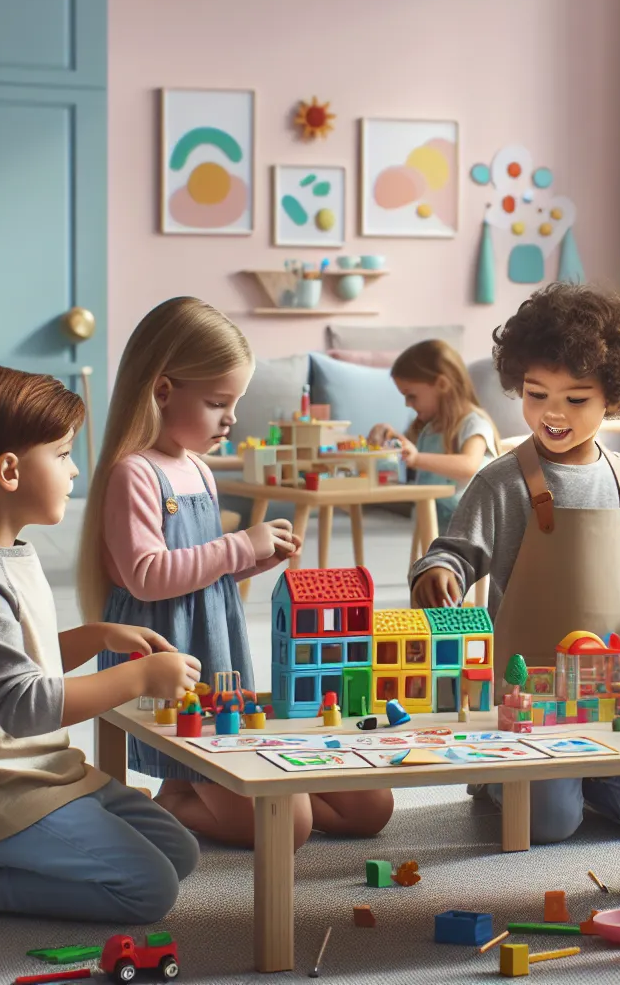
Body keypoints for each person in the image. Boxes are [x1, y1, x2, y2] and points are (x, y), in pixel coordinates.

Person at [0, 364, 203, 921]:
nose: (75, 469)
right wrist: (138, 679)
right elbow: (23, 706)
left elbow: (9, 658)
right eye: (61, 454)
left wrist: (95, 636)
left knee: (179, 853)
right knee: (149, 891)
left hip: (42, 775)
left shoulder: (4, 554)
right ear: (9, 470)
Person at [78, 296, 392, 849]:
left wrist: (252, 559)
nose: (232, 418)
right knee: (288, 828)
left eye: (235, 402)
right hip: (166, 655)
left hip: (212, 647)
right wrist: (237, 544)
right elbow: (149, 574)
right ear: (161, 391)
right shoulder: (135, 473)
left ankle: (225, 796)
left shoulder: (196, 466)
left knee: (370, 808)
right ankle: (177, 796)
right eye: (218, 402)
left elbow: (203, 564)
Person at [410, 282, 620, 843]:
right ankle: (502, 778)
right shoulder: (502, 480)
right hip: (527, 696)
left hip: (609, 691)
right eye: (536, 395)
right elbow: (453, 552)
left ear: (613, 396)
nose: (553, 413)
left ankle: (575, 776)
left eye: (576, 399)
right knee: (550, 825)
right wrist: (439, 573)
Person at [366, 339, 500, 532]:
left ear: (442, 384)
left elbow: (469, 465)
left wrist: (417, 458)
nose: (407, 404)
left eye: (411, 396)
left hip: (471, 526)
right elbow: (407, 456)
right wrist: (389, 438)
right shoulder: (430, 428)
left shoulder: (473, 423)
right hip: (433, 521)